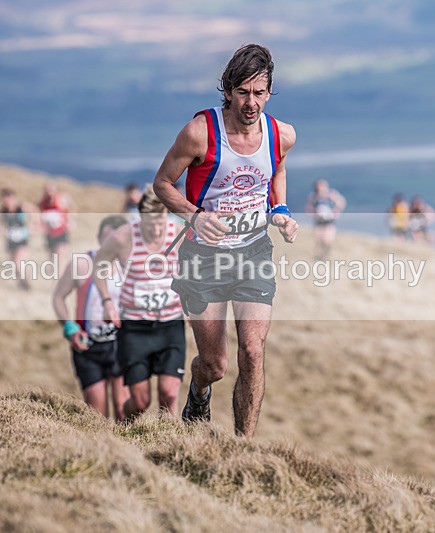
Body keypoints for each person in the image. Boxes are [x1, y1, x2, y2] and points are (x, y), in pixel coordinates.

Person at [152, 43, 298, 438]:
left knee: (252, 351)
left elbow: (276, 170)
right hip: (204, 257)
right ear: (229, 90)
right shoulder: (200, 132)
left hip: (253, 252)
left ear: (269, 92)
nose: (251, 103)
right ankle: (198, 390)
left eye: (259, 93)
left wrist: (280, 210)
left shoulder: (281, 134)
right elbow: (162, 184)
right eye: (243, 92)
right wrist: (194, 217)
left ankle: (243, 449)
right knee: (215, 364)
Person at [92, 187, 186, 421]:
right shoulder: (123, 237)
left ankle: (170, 445)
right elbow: (99, 265)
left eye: (160, 224)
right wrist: (107, 302)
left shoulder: (179, 233)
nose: (156, 231)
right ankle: (126, 423)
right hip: (134, 328)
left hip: (170, 324)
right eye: (150, 225)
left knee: (169, 393)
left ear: (167, 215)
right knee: (141, 403)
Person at [53, 215, 130, 421]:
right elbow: (58, 298)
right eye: (108, 236)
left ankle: (129, 452)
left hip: (121, 345)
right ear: (99, 238)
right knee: (97, 417)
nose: (112, 241)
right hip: (87, 347)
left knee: (125, 412)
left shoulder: (131, 268)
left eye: (119, 236)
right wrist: (69, 328)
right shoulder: (82, 263)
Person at [305, 178, 346, 260]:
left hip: (329, 222)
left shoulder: (331, 195)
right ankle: (318, 257)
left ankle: (326, 256)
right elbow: (308, 208)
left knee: (328, 240)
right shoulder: (313, 197)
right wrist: (314, 214)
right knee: (319, 240)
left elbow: (341, 202)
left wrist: (336, 212)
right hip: (319, 222)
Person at [0, 188, 32, 290]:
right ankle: (22, 284)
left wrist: (33, 226)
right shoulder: (3, 210)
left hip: (22, 238)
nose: (6, 201)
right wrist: (0, 229)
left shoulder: (21, 207)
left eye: (8, 198)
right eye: (4, 199)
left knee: (18, 262)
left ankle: (25, 285)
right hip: (10, 239)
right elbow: (0, 223)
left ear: (12, 197)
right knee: (13, 263)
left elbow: (34, 212)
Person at [38, 181, 73, 268]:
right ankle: (59, 278)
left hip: (61, 232)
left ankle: (60, 278)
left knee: (59, 257)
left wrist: (71, 221)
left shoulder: (62, 199)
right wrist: (40, 225)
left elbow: (71, 208)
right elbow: (38, 213)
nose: (49, 191)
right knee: (53, 260)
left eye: (51, 189)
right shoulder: (42, 201)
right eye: (47, 189)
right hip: (50, 235)